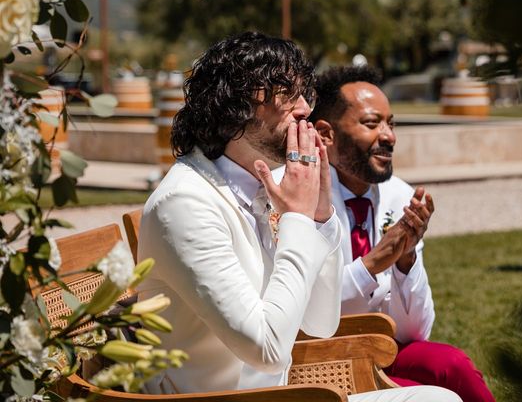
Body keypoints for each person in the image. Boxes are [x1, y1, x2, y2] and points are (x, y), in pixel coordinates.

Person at [137, 32, 461, 402]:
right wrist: (298, 219)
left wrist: (321, 217)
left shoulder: (260, 188)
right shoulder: (185, 203)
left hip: (282, 394)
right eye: (287, 93)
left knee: (438, 398)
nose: (306, 108)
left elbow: (321, 323)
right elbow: (268, 350)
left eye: (304, 94)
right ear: (237, 101)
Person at [309, 65, 496, 402]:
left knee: (454, 366)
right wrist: (375, 263)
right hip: (322, 358)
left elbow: (417, 331)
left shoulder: (399, 196)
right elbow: (311, 314)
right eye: (371, 124)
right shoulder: (301, 197)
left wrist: (406, 260)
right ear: (325, 134)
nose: (389, 136)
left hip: (385, 347)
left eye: (391, 124)